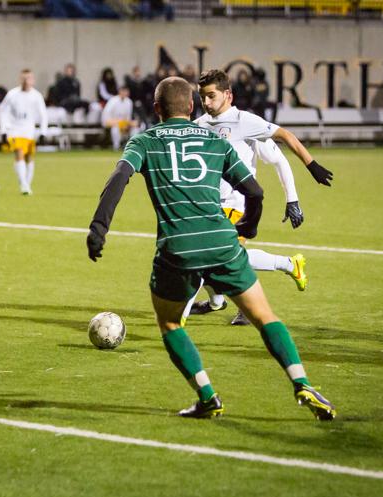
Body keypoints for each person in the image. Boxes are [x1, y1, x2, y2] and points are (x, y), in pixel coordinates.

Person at [86, 76, 336, 421]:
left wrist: (99, 229)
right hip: (222, 240)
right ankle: (303, 383)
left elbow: (118, 180)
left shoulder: (143, 141)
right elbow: (256, 192)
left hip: (178, 249)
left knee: (171, 324)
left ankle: (208, 397)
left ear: (156, 109)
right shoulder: (213, 139)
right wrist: (249, 225)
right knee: (264, 317)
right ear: (191, 106)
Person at [191, 69, 334, 325]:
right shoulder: (200, 125)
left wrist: (305, 176)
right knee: (222, 259)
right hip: (209, 206)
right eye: (203, 97)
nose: (207, 102)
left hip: (237, 205)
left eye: (211, 96)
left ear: (228, 95)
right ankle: (286, 267)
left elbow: (282, 149)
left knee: (207, 256)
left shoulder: (246, 122)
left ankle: (219, 306)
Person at [0, 69, 48, 195]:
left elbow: (43, 115)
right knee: (19, 153)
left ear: (33, 80)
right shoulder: (12, 94)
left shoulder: (36, 96)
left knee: (29, 158)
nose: (26, 81)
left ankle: (26, 183)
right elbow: (3, 111)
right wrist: (3, 130)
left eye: (29, 78)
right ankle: (24, 186)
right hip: (14, 130)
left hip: (29, 132)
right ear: (20, 79)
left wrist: (43, 132)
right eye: (24, 78)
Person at [101, 86, 139, 150]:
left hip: (123, 123)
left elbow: (128, 117)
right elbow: (106, 117)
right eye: (123, 91)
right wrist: (117, 122)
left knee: (135, 128)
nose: (124, 93)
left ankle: (131, 147)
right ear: (119, 91)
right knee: (115, 128)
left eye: (126, 91)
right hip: (112, 122)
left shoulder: (129, 102)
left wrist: (129, 123)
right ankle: (116, 147)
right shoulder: (113, 100)